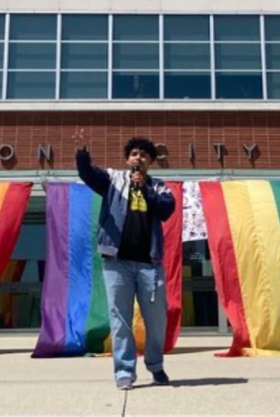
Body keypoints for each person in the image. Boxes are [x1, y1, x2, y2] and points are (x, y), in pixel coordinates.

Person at [73, 130, 176, 391]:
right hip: (117, 263)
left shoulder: (158, 185)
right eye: (133, 154)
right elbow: (88, 174)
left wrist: (145, 189)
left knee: (157, 320)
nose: (137, 157)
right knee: (120, 319)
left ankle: (156, 365)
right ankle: (124, 372)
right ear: (127, 159)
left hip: (149, 264)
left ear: (150, 161)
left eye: (143, 154)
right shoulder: (113, 180)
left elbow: (166, 210)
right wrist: (82, 154)